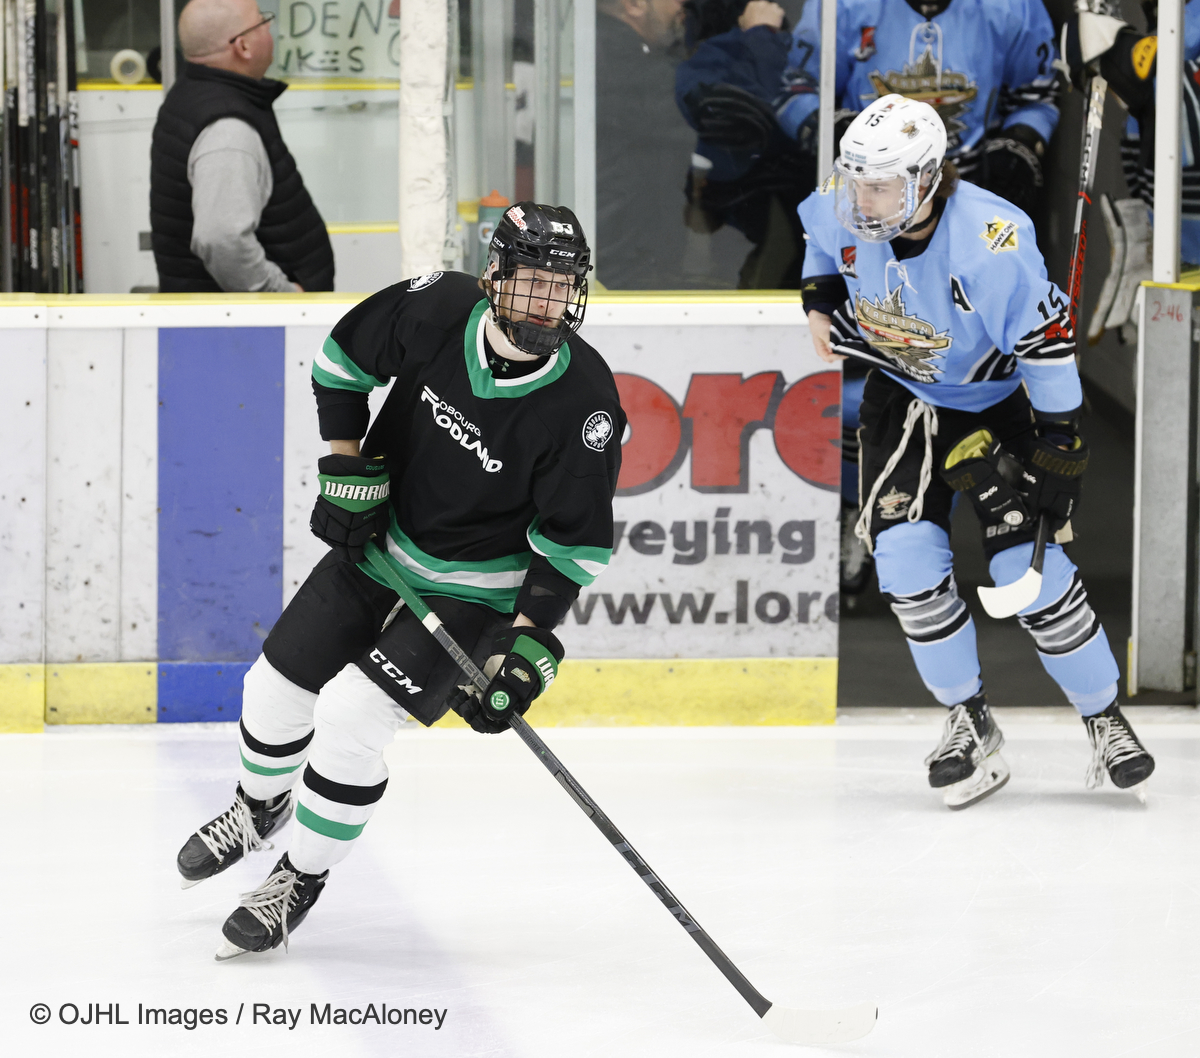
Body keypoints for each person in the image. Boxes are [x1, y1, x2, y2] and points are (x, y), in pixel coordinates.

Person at [174, 204, 625, 957]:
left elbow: (569, 548)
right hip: (384, 543)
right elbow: (340, 364)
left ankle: (301, 875)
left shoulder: (585, 405)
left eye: (560, 287)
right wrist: (348, 464)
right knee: (272, 688)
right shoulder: (435, 308)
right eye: (531, 284)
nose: (545, 303)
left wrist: (522, 646)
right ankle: (259, 807)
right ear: (494, 277)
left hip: (476, 590)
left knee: (352, 713)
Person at [800, 95, 1155, 808]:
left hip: (1001, 406)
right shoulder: (842, 204)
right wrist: (818, 298)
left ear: (929, 179)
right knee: (903, 564)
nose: (863, 200)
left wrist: (1062, 444)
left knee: (1032, 572)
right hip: (905, 400)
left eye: (883, 185)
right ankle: (969, 720)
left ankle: (1104, 719)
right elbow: (819, 243)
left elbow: (1046, 348)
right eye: (858, 180)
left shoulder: (994, 240)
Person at [150, 0, 334, 293]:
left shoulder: (193, 95)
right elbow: (222, 238)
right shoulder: (227, 129)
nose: (269, 26)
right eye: (262, 20)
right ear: (243, 46)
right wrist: (285, 298)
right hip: (248, 333)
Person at [675, 1, 814, 288]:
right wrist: (760, 35)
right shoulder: (714, 58)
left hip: (784, 198)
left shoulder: (789, 47)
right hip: (741, 195)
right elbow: (749, 109)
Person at [596, 0, 697, 288]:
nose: (684, 5)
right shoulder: (628, 67)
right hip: (622, 272)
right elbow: (721, 124)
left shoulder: (603, 52)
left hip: (619, 264)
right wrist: (757, 36)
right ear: (635, 4)